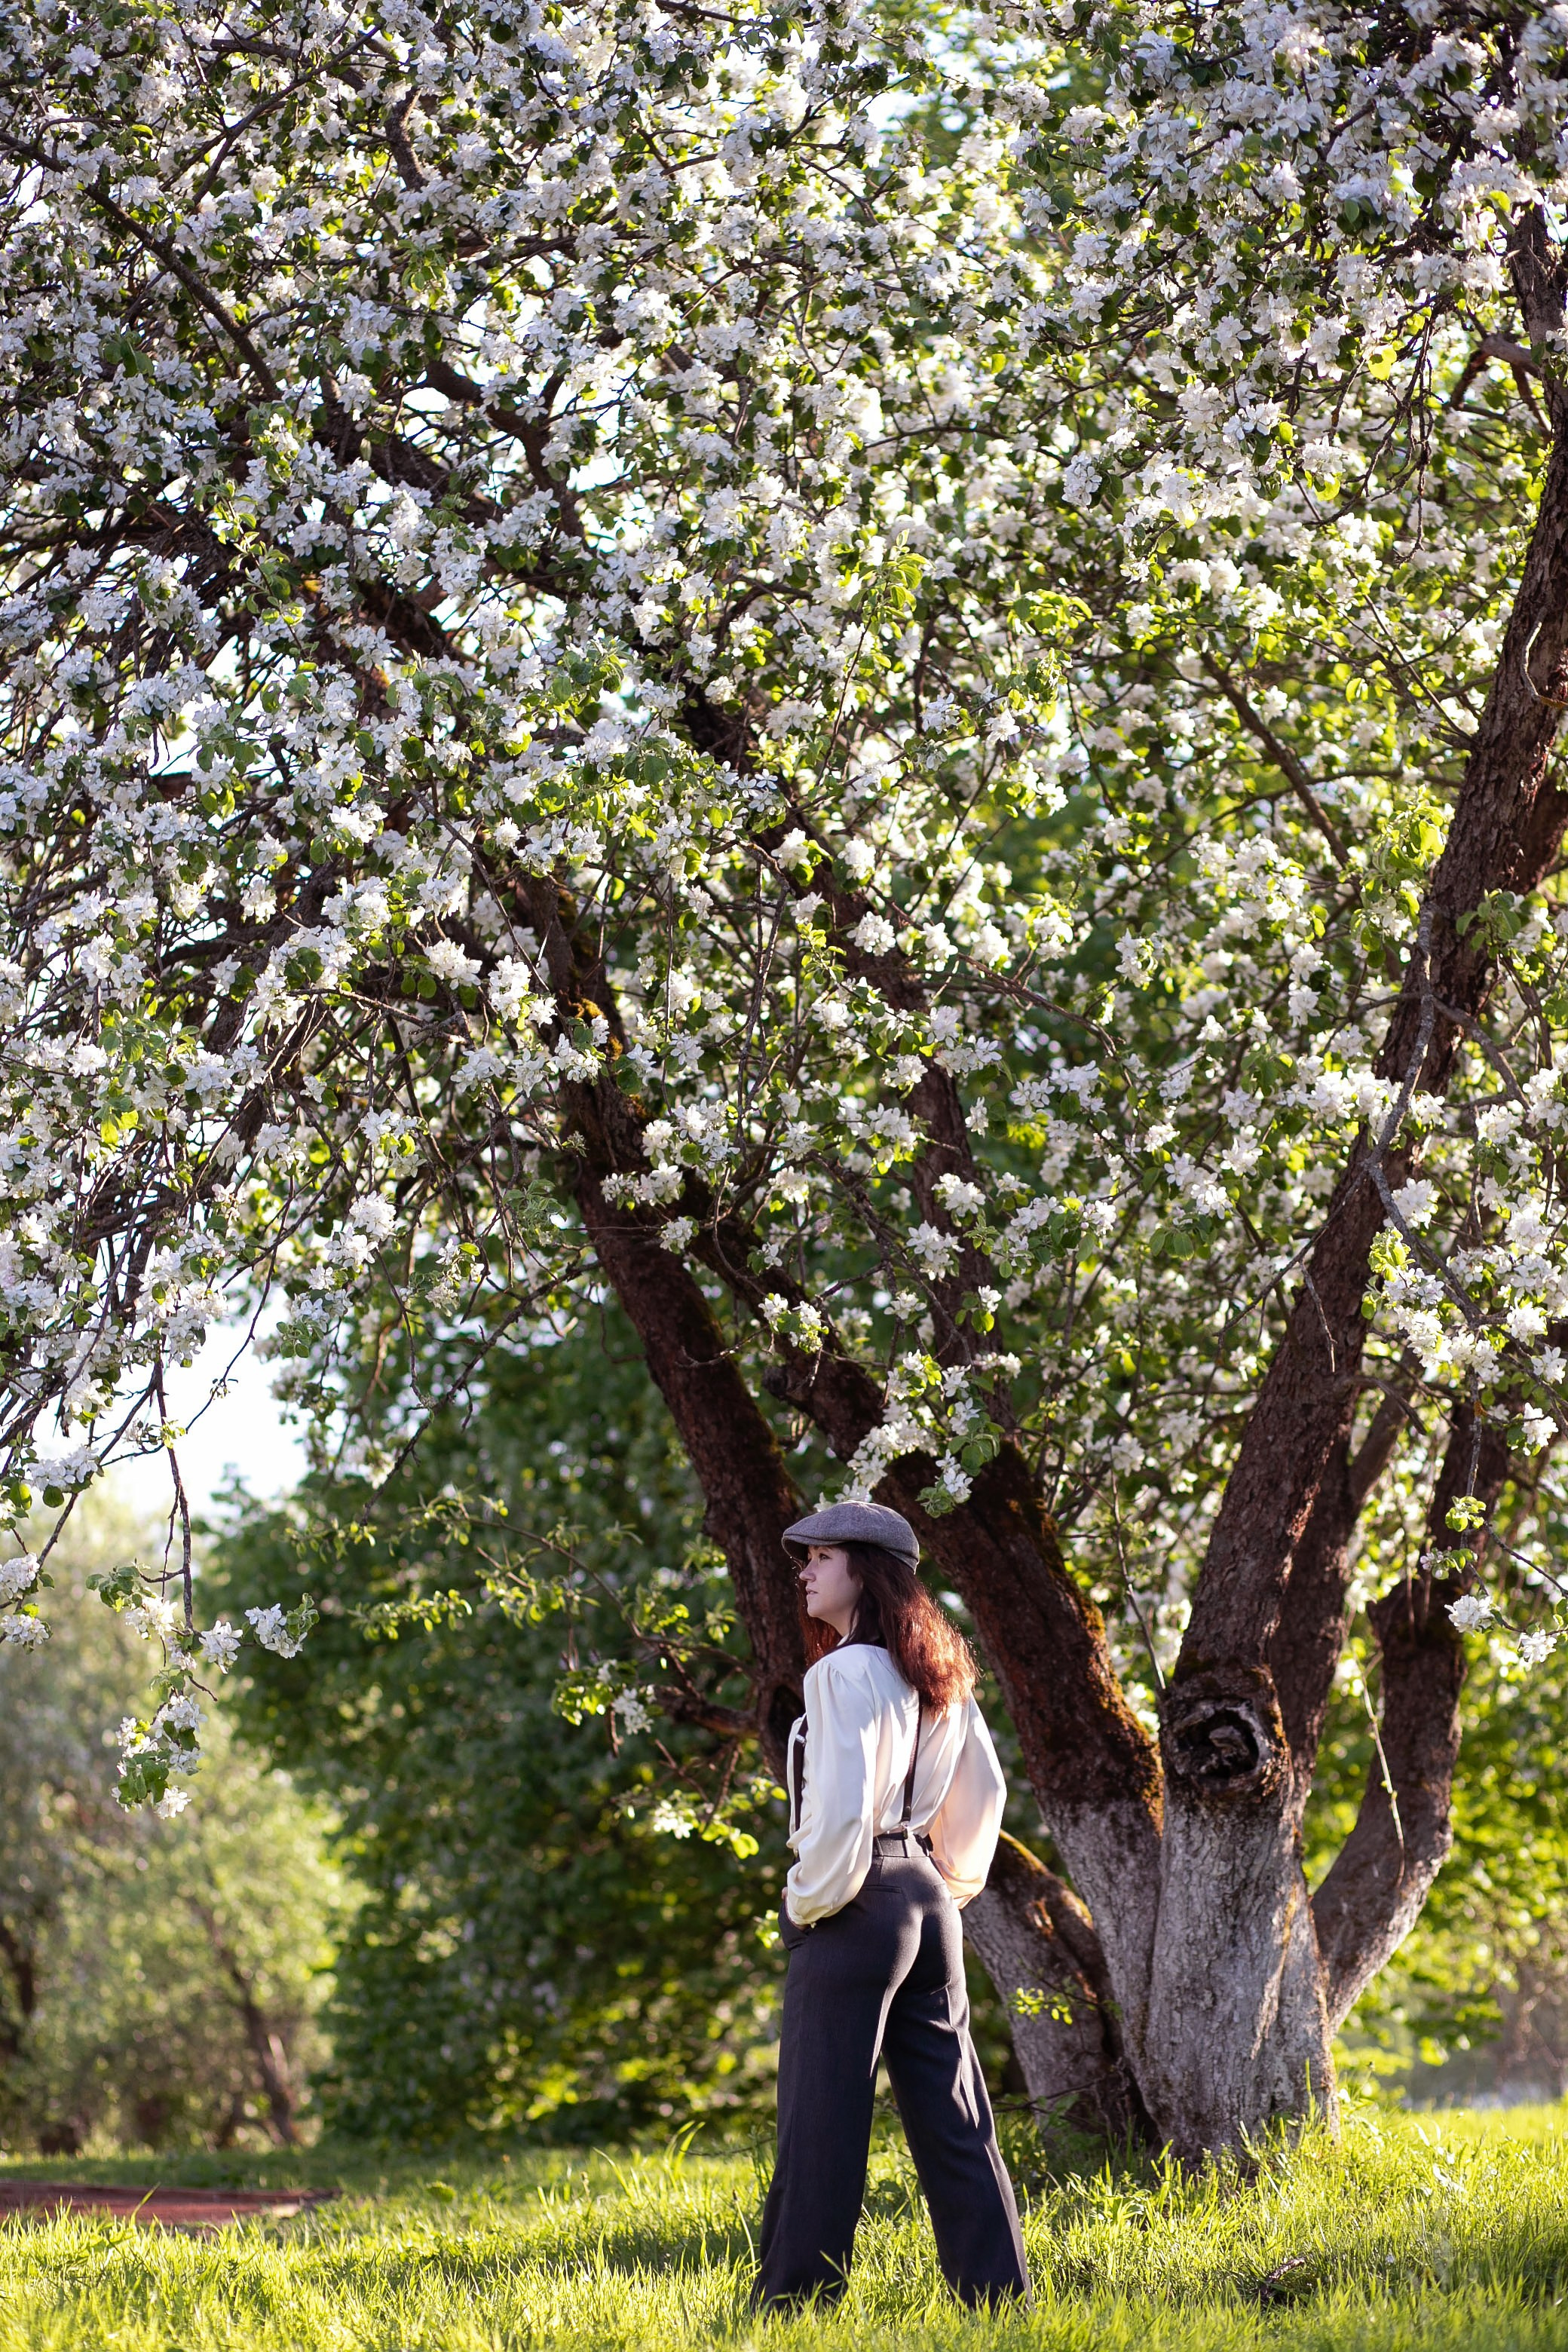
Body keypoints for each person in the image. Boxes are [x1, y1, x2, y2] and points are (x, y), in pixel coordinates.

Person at [753, 1499, 1031, 2312]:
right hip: (922, 1895)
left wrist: (807, 1902)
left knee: (821, 2119)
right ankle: (996, 2300)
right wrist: (943, 1884)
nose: (803, 1570)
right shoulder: (934, 1668)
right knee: (955, 2115)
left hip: (854, 1898)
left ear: (866, 1571)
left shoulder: (841, 1671)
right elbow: (984, 1790)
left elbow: (839, 1813)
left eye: (821, 1557)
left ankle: (794, 2309)